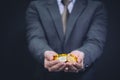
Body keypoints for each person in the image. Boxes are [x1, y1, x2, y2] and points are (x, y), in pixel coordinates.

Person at [26, 0, 108, 80]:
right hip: (46, 75)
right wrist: (44, 52)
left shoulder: (95, 6)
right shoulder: (36, 5)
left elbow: (95, 41)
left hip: (83, 76)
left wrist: (83, 55)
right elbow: (35, 38)